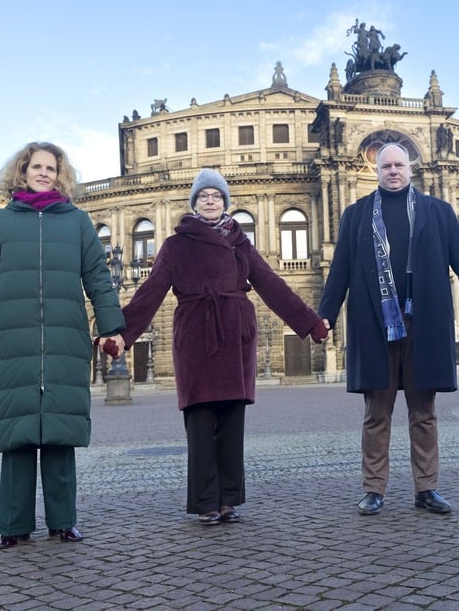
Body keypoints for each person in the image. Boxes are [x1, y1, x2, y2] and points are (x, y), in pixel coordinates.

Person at [115, 168, 328, 526]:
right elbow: (150, 292)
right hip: (196, 334)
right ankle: (205, 502)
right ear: (194, 203)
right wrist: (122, 333)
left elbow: (271, 284)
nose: (210, 201)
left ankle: (228, 499)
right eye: (203, 196)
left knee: (231, 422)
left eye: (216, 196)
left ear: (225, 202)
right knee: (200, 423)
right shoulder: (176, 244)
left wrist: (310, 322)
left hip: (234, 334)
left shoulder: (239, 241)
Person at [317, 143, 459, 516]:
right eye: (386, 166)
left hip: (424, 323)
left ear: (410, 169)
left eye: (399, 165)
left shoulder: (438, 212)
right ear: (376, 171)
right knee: (376, 413)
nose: (393, 171)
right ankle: (373, 489)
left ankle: (426, 488)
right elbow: (340, 272)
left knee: (423, 412)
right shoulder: (356, 215)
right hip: (374, 324)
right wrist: (325, 316)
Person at [0, 142, 125, 549]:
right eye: (36, 166)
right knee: (17, 434)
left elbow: (98, 279)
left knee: (59, 431)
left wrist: (111, 327)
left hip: (64, 336)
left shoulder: (77, 222)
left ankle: (63, 521)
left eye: (50, 168)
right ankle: (13, 525)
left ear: (60, 174)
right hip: (12, 338)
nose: (43, 173)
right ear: (21, 171)